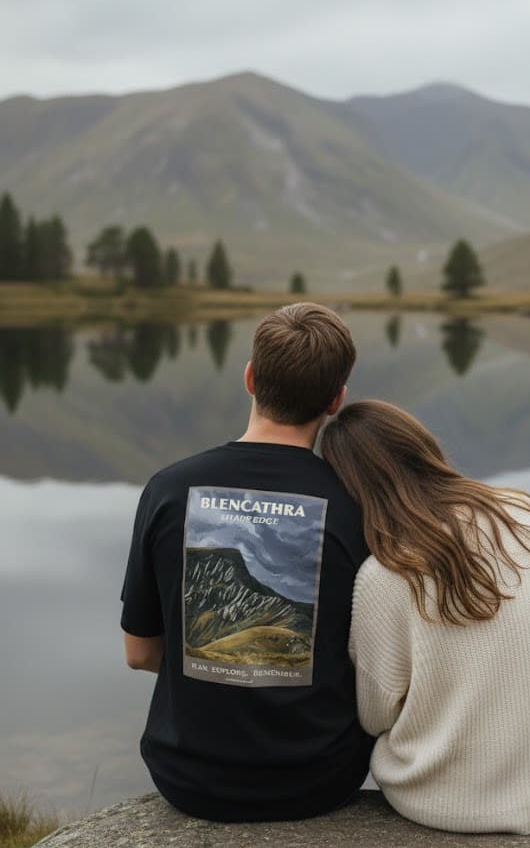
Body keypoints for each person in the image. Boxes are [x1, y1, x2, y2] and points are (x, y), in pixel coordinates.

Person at [120, 303, 373, 822]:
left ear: (250, 378)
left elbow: (140, 654)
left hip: (186, 780)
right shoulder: (358, 505)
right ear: (336, 400)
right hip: (321, 781)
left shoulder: (168, 489)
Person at [320, 400, 530, 835]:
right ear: (424, 448)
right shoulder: (524, 516)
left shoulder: (385, 576)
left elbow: (375, 716)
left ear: (352, 488)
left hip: (440, 800)